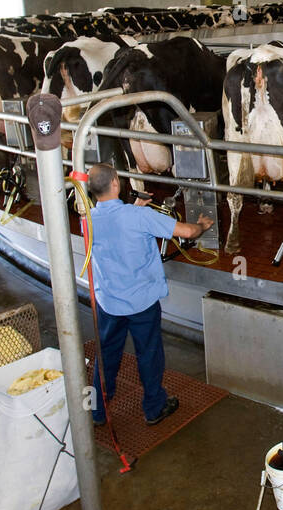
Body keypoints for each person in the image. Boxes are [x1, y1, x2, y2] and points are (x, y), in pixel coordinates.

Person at [86, 163, 212, 427]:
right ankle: (154, 407)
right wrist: (201, 225)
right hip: (141, 302)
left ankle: (98, 411)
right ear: (116, 184)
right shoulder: (136, 217)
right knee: (149, 354)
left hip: (108, 302)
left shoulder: (87, 218)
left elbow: (115, 229)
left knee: (106, 355)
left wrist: (136, 212)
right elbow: (186, 232)